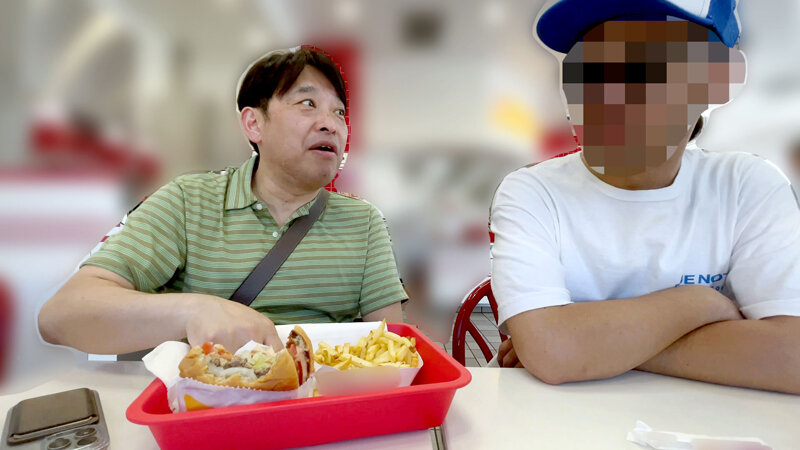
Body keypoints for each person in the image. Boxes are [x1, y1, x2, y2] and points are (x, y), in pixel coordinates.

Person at [491, 0, 800, 394]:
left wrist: (589, 346)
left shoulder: (747, 186)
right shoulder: (533, 192)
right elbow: (552, 350)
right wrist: (701, 303)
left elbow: (792, 358)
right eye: (592, 70)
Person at [38, 47, 407, 355]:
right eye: (307, 103)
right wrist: (194, 310)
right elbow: (60, 316)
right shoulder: (187, 202)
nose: (331, 124)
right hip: (205, 402)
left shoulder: (364, 222)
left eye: (339, 112)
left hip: (323, 403)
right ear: (254, 124)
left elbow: (392, 351)